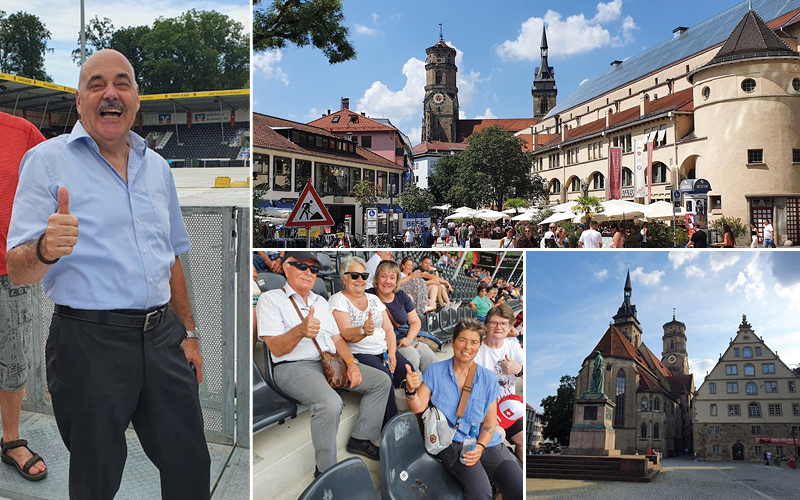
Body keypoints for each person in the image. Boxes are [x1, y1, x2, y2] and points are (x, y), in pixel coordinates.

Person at [6, 50, 209, 499]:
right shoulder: (45, 161)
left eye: (122, 83)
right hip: (87, 344)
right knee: (96, 478)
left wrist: (189, 331)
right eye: (96, 84)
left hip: (162, 338)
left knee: (191, 462)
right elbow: (18, 270)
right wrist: (44, 248)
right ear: (79, 101)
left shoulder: (156, 167)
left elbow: (172, 255)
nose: (110, 93)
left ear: (136, 99)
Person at [258, 252, 391, 476]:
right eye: (301, 266)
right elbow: (276, 349)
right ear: (285, 267)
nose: (308, 272)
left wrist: (351, 362)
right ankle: (326, 472)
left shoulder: (320, 301)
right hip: (293, 367)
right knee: (330, 403)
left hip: (328, 361)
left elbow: (337, 338)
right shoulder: (271, 299)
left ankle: (360, 438)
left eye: (313, 269)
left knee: (381, 381)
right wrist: (300, 331)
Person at [404, 319, 523, 500]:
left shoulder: (488, 378)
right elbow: (418, 407)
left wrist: (481, 446)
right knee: (481, 492)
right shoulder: (435, 371)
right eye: (462, 340)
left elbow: (491, 421)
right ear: (452, 342)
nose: (467, 346)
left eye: (474, 342)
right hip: (453, 441)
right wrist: (410, 392)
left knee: (518, 484)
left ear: (479, 345)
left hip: (486, 443)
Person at [0, 111, 47, 481]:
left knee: (13, 361)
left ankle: (11, 439)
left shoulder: (21, 132)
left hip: (9, 272)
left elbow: (58, 182)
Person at [329, 256, 411, 426]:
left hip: (383, 351)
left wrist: (392, 353)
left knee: (408, 373)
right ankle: (392, 426)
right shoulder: (338, 300)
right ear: (343, 278)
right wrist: (362, 331)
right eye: (354, 275)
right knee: (385, 379)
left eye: (364, 276)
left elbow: (389, 329)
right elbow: (344, 333)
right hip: (360, 352)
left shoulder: (373, 299)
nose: (360, 280)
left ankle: (412, 415)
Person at [368, 259, 438, 372]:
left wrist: (409, 338)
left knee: (429, 357)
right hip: (385, 343)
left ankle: (432, 389)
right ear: (376, 278)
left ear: (396, 281)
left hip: (404, 338)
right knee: (412, 357)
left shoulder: (401, 295)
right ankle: (409, 388)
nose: (387, 281)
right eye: (383, 276)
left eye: (392, 277)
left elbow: (415, 321)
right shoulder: (369, 296)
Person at [476, 305, 525, 461]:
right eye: (494, 323)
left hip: (508, 408)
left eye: (504, 323)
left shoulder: (513, 347)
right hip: (484, 409)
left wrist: (520, 370)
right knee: (498, 435)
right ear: (486, 325)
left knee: (524, 441)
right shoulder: (476, 348)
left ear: (510, 327)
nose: (499, 327)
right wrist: (483, 411)